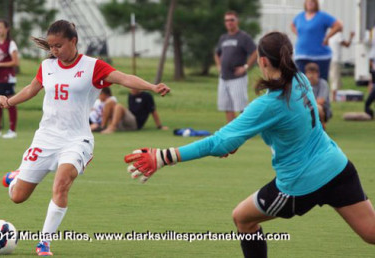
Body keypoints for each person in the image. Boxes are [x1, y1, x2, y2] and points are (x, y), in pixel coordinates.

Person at [125, 32, 375, 258]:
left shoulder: (269, 104)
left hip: (300, 184)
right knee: (371, 233)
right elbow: (284, 123)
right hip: (338, 167)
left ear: (263, 62)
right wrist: (237, 140)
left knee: (242, 218)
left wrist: (164, 156)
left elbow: (219, 142)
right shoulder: (300, 79)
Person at [0, 20, 170, 256]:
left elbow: (123, 78)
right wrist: (9, 101)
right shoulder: (47, 66)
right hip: (45, 139)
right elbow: (31, 88)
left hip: (76, 140)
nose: (55, 50)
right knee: (17, 197)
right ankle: (17, 175)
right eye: (51, 46)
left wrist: (152, 87)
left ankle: (44, 243)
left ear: (73, 41)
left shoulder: (93, 67)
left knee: (61, 184)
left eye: (59, 45)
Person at [214, 10, 257, 123]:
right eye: (227, 20)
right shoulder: (223, 38)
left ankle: (246, 129)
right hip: (224, 78)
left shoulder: (243, 37)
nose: (229, 22)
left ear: (237, 21)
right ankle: (231, 131)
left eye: (231, 20)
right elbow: (217, 53)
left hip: (237, 78)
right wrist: (219, 66)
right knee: (227, 107)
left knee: (242, 107)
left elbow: (255, 52)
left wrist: (246, 67)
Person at [291, 0, 343, 81]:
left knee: (321, 82)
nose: (310, 3)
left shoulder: (322, 16)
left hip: (320, 56)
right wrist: (299, 34)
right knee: (301, 82)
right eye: (308, 2)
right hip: (302, 55)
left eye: (312, 2)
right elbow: (292, 25)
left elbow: (338, 25)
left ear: (316, 4)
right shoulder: (300, 17)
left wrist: (327, 37)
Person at [100, 89, 168, 134]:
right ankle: (103, 126)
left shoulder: (147, 96)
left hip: (135, 123)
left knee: (119, 106)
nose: (131, 90)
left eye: (133, 87)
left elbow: (153, 111)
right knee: (109, 103)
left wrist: (160, 126)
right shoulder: (131, 95)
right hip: (126, 122)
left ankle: (112, 127)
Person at [328, 31, 354, 101]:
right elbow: (347, 45)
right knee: (335, 79)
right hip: (335, 60)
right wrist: (351, 37)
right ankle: (333, 98)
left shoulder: (330, 35)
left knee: (332, 78)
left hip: (329, 59)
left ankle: (332, 97)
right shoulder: (338, 35)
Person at [305, 63, 331, 128]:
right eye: (309, 73)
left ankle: (322, 125)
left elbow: (321, 101)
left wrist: (306, 105)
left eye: (313, 73)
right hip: (308, 107)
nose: (311, 76)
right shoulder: (303, 85)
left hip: (323, 110)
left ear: (318, 74)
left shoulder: (323, 84)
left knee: (318, 107)